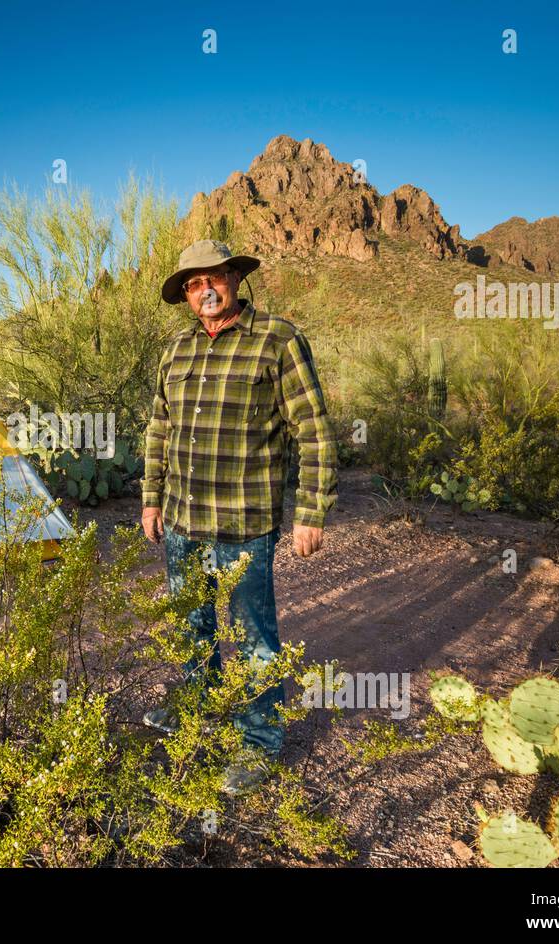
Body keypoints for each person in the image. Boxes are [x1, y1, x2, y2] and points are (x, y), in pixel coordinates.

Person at [140, 238, 338, 795]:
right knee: (192, 624)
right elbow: (160, 428)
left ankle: (259, 741)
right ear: (184, 294)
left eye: (215, 277)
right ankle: (195, 704)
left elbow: (313, 429)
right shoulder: (176, 349)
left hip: (245, 520)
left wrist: (311, 510)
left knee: (253, 634)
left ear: (234, 278)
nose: (206, 289)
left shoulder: (278, 339)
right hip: (181, 516)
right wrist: (152, 498)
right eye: (194, 282)